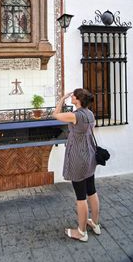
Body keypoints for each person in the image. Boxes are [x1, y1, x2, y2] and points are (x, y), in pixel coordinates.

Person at [52, 88, 101, 242]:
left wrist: (62, 99)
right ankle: (95, 223)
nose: (71, 96)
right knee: (91, 191)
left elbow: (55, 115)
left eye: (73, 95)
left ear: (78, 99)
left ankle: (81, 232)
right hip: (90, 155)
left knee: (81, 197)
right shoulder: (90, 114)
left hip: (78, 158)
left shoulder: (74, 116)